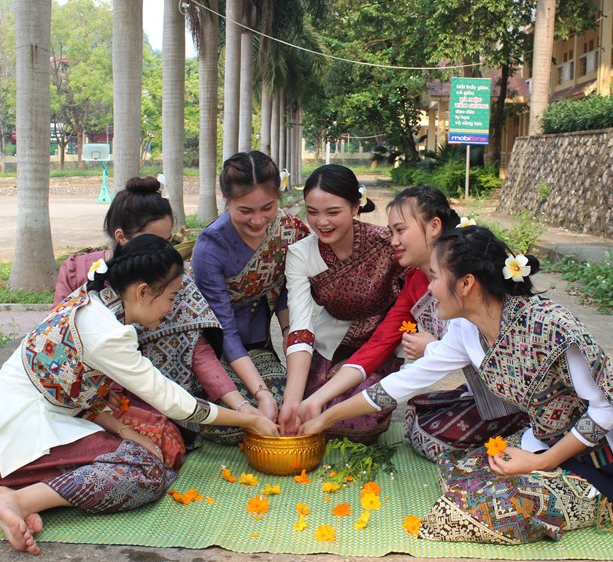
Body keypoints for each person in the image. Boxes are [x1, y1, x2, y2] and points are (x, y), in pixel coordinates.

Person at [301, 226, 613, 544]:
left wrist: (541, 462)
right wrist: (324, 415)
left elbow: (607, 408)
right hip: (543, 441)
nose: (430, 288)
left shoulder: (549, 326)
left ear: (466, 283)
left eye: (436, 276)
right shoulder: (466, 330)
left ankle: (608, 497)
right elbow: (401, 384)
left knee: (457, 515)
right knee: (455, 470)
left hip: (603, 459)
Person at [0, 234, 278, 555]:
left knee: (151, 455)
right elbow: (173, 402)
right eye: (171, 297)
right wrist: (248, 419)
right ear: (142, 292)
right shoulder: (106, 333)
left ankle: (23, 495)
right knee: (148, 472)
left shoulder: (94, 299)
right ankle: (16, 500)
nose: (171, 309)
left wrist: (126, 432)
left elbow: (83, 398)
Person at [295, 186, 527, 459]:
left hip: (525, 399)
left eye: (400, 230)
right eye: (391, 232)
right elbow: (383, 346)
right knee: (420, 418)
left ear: (434, 226)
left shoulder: (497, 301)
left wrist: (432, 347)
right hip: (485, 387)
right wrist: (318, 403)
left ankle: (524, 431)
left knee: (429, 436)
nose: (392, 241)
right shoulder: (418, 282)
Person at [53, 177, 257, 442]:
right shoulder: (79, 276)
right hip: (88, 400)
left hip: (158, 396)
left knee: (176, 437)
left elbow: (196, 351)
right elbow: (61, 353)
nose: (165, 251)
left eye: (168, 240)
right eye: (154, 240)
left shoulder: (171, 278)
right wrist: (101, 402)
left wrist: (241, 406)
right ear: (121, 238)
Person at [279, 165, 407, 442]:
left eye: (332, 212)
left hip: (381, 340)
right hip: (331, 341)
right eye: (312, 212)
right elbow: (300, 327)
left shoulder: (387, 243)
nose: (321, 222)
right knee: (302, 403)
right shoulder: (301, 254)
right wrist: (291, 399)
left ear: (355, 206)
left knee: (360, 418)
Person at [191, 151, 310, 443]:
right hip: (216, 352)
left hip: (260, 349)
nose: (258, 221)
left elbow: (288, 294)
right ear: (227, 201)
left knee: (288, 410)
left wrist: (291, 338)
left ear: (278, 199)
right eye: (245, 211)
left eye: (267, 207)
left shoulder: (289, 231)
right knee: (231, 424)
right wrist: (260, 393)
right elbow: (223, 328)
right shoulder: (211, 246)